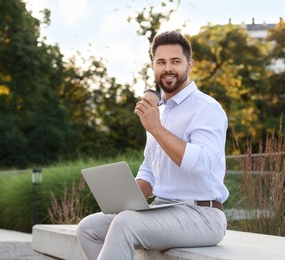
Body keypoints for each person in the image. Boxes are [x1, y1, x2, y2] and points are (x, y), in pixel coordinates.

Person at [76, 30, 229, 260]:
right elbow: (150, 170)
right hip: (162, 209)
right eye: (161, 62)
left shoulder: (206, 108)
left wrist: (156, 128)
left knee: (126, 224)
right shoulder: (159, 113)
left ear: (190, 65)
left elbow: (202, 164)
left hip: (202, 215)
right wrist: (128, 196)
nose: (168, 68)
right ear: (154, 67)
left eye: (175, 61)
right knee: (89, 228)